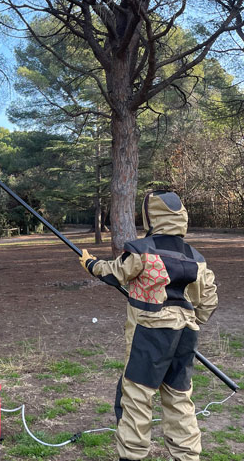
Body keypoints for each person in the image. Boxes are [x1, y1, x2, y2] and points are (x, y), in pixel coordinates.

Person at [80, 190, 218, 461]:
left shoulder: (143, 251)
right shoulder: (197, 259)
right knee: (179, 398)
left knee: (137, 397)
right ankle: (187, 456)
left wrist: (91, 264)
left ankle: (132, 455)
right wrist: (189, 319)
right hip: (185, 336)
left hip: (149, 335)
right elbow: (209, 301)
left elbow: (116, 272)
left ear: (150, 217)